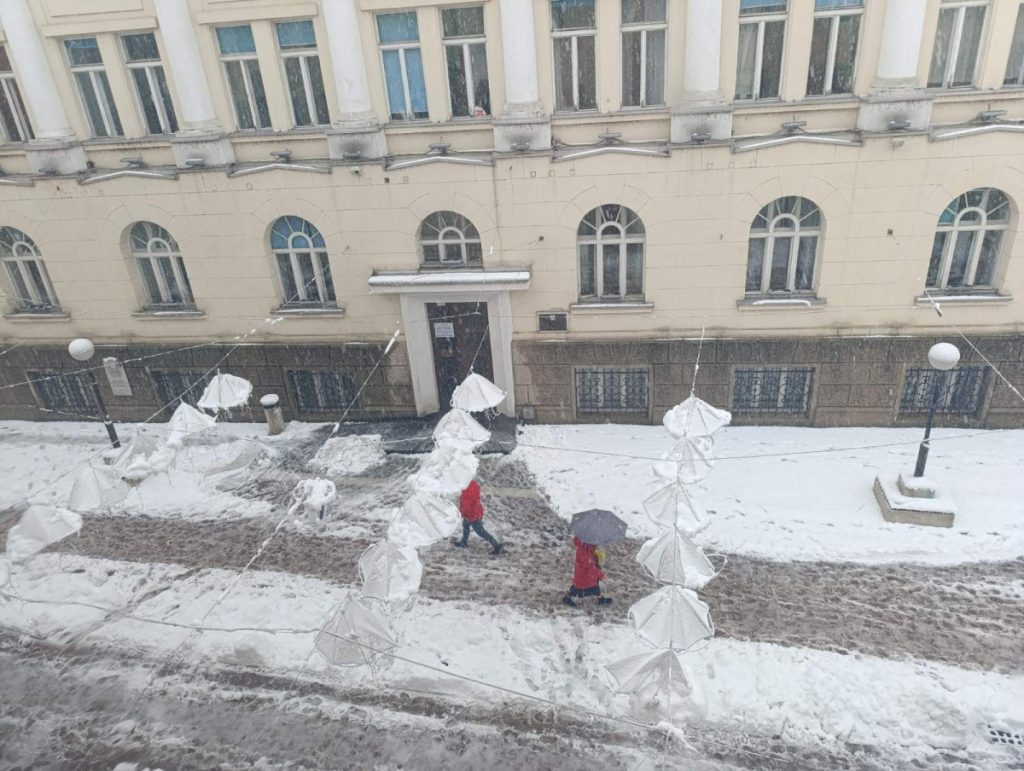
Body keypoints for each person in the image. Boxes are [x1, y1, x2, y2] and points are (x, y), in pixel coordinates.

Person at [453, 479, 502, 555]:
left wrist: (460, 513)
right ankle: (464, 542)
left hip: (472, 514)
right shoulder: (472, 484)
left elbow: (466, 506)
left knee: (480, 532)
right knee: (465, 525)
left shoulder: (467, 492)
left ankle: (496, 545)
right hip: (476, 510)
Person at [562, 537, 612, 607]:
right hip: (584, 578)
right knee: (581, 589)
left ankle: (600, 598)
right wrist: (601, 575)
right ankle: (567, 598)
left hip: (581, 575)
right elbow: (591, 569)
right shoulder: (585, 552)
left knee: (588, 586)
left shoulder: (585, 546)